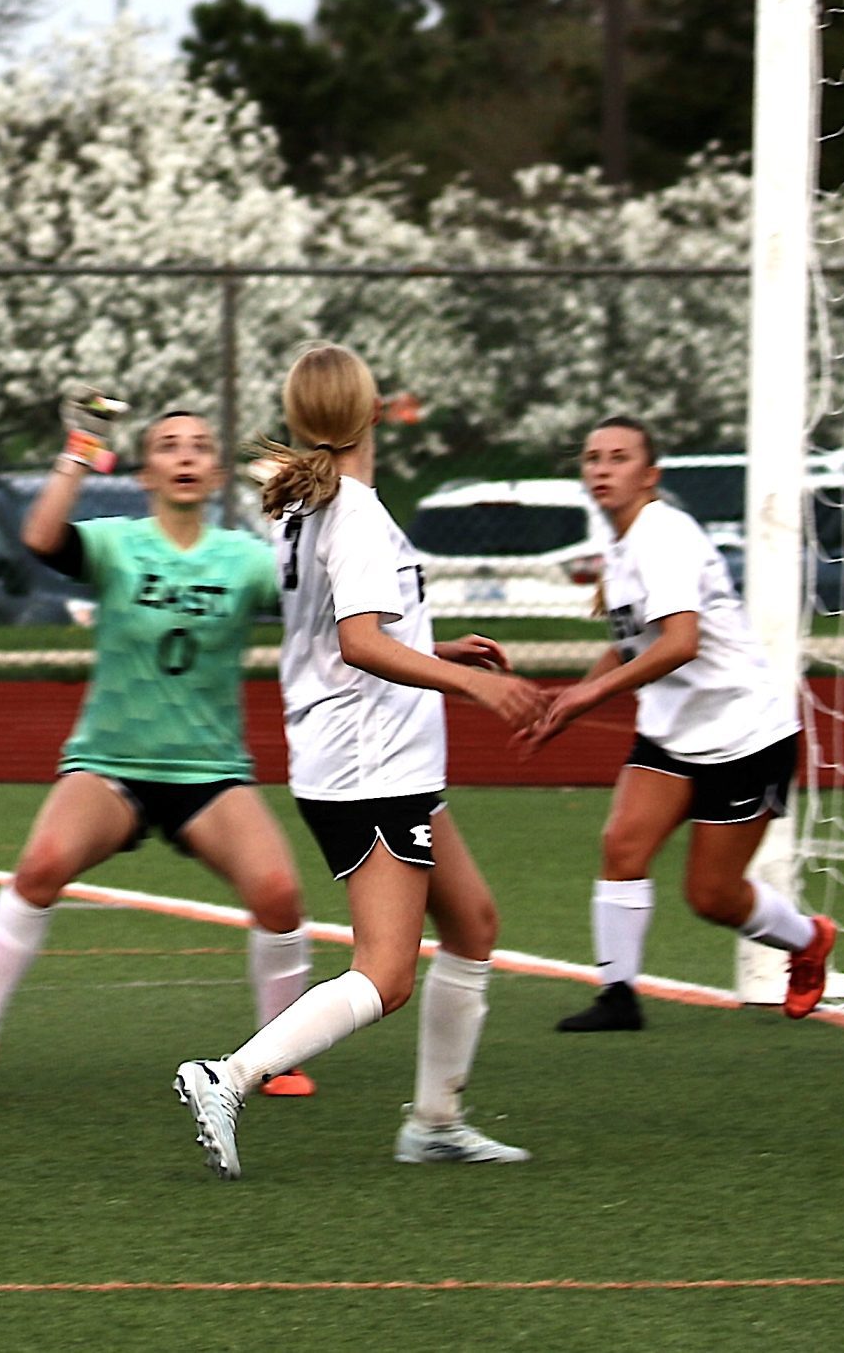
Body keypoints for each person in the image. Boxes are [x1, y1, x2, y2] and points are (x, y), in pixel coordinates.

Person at [172, 342, 546, 1179]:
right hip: (371, 765)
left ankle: (437, 1121)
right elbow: (361, 643)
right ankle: (228, 1076)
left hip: (362, 756)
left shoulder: (308, 506)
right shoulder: (357, 513)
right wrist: (466, 684)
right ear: (372, 412)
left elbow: (344, 633)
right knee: (386, 972)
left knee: (473, 923)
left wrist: (437, 646)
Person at [0, 403, 315, 1094]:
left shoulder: (247, 559)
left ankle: (277, 1055)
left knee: (279, 893)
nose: (185, 455)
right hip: (112, 764)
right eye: (167, 445)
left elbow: (319, 593)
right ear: (145, 473)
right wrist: (80, 449)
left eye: (199, 446)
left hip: (208, 772)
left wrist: (293, 500)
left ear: (217, 472)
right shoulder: (117, 543)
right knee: (41, 866)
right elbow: (41, 537)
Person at [525, 417, 833, 1029]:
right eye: (592, 458)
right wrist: (568, 700)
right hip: (672, 730)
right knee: (622, 845)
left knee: (713, 896)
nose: (602, 468)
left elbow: (680, 643)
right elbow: (632, 643)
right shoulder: (619, 540)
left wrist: (588, 700)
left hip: (744, 734)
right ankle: (618, 999)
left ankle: (807, 940)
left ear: (650, 475)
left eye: (618, 457)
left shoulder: (661, 536)